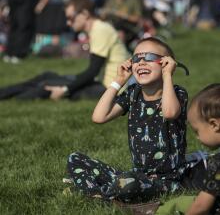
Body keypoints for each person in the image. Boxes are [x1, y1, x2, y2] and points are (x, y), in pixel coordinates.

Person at [66, 37, 188, 203]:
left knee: (128, 185)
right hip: (136, 176)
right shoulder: (133, 94)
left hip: (166, 182)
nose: (142, 62)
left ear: (167, 64)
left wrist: (168, 76)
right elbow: (99, 117)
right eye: (137, 58)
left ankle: (101, 192)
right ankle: (102, 194)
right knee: (75, 158)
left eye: (150, 57)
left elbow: (169, 112)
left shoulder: (177, 93)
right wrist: (119, 81)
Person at [0, 0, 128, 100]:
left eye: (70, 18)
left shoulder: (100, 30)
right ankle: (7, 94)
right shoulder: (98, 28)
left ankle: (17, 99)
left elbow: (92, 71)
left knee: (46, 85)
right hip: (104, 84)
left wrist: (64, 90)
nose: (68, 23)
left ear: (85, 14)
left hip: (111, 89)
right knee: (47, 76)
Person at [186, 83, 220, 215]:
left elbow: (201, 206)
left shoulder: (217, 163)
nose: (197, 138)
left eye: (197, 131)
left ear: (214, 124)